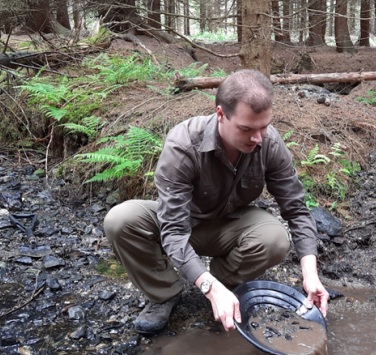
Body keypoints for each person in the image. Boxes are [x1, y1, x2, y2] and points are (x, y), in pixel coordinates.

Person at [104, 69, 329, 334]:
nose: (258, 138)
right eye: (246, 129)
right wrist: (207, 286)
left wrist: (310, 275)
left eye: (264, 127)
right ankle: (164, 293)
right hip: (185, 223)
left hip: (232, 224)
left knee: (275, 239)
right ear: (221, 115)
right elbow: (174, 231)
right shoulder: (183, 144)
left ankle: (223, 281)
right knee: (120, 220)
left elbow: (297, 210)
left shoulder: (269, 143)